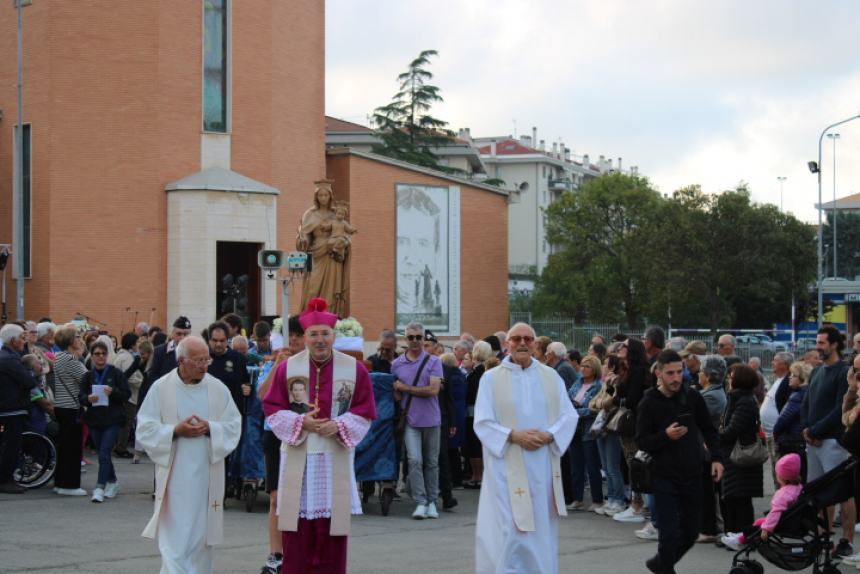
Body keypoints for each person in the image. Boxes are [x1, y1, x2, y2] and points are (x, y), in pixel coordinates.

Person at [262, 298, 376, 574]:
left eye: (325, 334)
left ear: (334, 335)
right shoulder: (288, 368)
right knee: (297, 535)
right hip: (298, 457)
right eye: (314, 334)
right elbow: (272, 408)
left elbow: (365, 410)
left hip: (333, 456)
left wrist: (339, 425)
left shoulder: (354, 369)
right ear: (305, 337)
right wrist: (303, 422)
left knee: (331, 535)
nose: (320, 340)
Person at [474, 322, 578, 574]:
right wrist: (513, 435)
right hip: (505, 468)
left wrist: (549, 435)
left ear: (535, 344)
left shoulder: (550, 376)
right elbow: (483, 421)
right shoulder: (491, 378)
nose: (522, 343)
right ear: (507, 343)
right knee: (510, 527)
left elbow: (569, 415)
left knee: (540, 526)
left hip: (541, 467)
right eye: (517, 338)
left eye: (528, 339)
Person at [137, 335, 242, 574]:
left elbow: (234, 425)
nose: (205, 365)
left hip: (207, 476)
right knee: (174, 541)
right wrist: (175, 430)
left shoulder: (217, 388)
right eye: (199, 361)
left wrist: (210, 428)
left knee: (200, 540)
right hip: (174, 478)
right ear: (181, 361)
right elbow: (144, 427)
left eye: (207, 360)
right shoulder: (161, 387)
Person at [635, 349, 723, 574]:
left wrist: (716, 458)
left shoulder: (692, 396)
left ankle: (660, 564)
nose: (676, 378)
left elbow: (709, 430)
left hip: (693, 474)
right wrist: (665, 436)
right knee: (669, 533)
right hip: (663, 476)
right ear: (659, 374)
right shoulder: (648, 402)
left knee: (691, 532)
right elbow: (642, 441)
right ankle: (665, 569)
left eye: (679, 372)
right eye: (670, 373)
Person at [800, 325, 854, 556]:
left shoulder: (844, 371)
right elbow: (806, 403)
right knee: (820, 494)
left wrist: (816, 430)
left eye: (822, 343)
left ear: (834, 345)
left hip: (832, 442)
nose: (818, 347)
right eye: (818, 342)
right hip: (813, 442)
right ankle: (824, 536)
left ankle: (846, 541)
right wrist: (806, 429)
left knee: (842, 492)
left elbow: (839, 410)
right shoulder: (816, 371)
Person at [391, 322, 444, 519]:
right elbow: (397, 396)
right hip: (410, 420)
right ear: (406, 339)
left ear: (424, 339)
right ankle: (421, 501)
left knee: (431, 462)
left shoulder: (434, 361)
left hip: (432, 419)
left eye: (418, 337)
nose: (415, 341)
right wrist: (397, 391)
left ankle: (432, 501)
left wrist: (406, 389)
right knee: (414, 461)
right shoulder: (396, 364)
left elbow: (433, 390)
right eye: (411, 337)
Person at [79, 340, 131, 503]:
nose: (101, 357)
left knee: (103, 453)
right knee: (104, 454)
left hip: (113, 419)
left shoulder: (116, 373)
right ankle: (113, 482)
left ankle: (99, 487)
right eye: (97, 354)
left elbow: (126, 394)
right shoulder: (88, 376)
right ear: (92, 356)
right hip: (95, 420)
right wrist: (88, 398)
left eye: (103, 353)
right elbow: (80, 397)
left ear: (107, 355)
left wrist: (113, 391)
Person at [721, 453, 803, 550]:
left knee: (760, 525)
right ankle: (741, 535)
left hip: (782, 522)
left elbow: (776, 512)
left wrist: (766, 529)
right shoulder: (798, 487)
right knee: (759, 521)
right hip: (791, 519)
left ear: (782, 477)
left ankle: (739, 540)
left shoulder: (783, 494)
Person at [719, 364, 765, 536]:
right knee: (733, 497)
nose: (729, 378)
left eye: (732, 376)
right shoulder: (737, 398)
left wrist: (715, 437)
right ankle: (734, 532)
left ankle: (741, 534)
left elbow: (733, 429)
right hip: (732, 454)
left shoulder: (744, 401)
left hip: (739, 455)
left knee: (739, 498)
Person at [298, 180, 351, 317]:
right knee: (312, 289)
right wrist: (303, 240)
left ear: (330, 196)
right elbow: (304, 235)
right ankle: (310, 317)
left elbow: (346, 234)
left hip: (332, 255)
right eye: (320, 195)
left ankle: (330, 318)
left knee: (331, 291)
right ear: (316, 197)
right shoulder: (310, 214)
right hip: (316, 253)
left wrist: (342, 243)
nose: (323, 198)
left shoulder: (337, 214)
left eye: (325, 195)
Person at [0, 324, 38, 493]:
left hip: (8, 406)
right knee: (12, 445)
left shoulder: (8, 357)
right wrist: (30, 368)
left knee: (9, 444)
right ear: (13, 340)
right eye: (22, 338)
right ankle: (5, 480)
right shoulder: (10, 359)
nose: (24, 341)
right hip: (11, 408)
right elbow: (29, 382)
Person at [52, 325, 89, 496]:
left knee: (65, 447)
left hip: (61, 406)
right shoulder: (71, 360)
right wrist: (81, 357)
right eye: (77, 337)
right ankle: (70, 485)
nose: (80, 340)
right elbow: (87, 379)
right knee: (73, 449)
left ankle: (60, 483)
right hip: (71, 407)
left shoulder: (58, 357)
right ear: (70, 341)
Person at [589, 354, 626, 516]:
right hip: (601, 426)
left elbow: (607, 402)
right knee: (605, 464)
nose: (602, 366)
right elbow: (594, 402)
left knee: (612, 466)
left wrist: (601, 403)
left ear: (612, 367)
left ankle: (618, 500)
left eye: (605, 363)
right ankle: (610, 498)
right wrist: (600, 403)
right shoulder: (606, 382)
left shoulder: (616, 381)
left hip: (612, 426)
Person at [566, 354, 604, 512]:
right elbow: (566, 401)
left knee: (591, 465)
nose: (583, 369)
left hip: (589, 430)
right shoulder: (577, 383)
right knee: (576, 466)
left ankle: (597, 500)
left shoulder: (598, 386)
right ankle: (578, 499)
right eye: (582, 366)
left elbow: (593, 409)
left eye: (587, 366)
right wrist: (575, 409)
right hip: (574, 429)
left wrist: (575, 410)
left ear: (594, 369)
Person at [759, 351, 794, 488]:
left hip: (777, 435)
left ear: (784, 364)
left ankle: (784, 504)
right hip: (769, 435)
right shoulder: (778, 380)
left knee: (781, 474)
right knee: (776, 473)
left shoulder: (787, 382)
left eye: (775, 360)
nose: (772, 363)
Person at [772, 361, 811, 479]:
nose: (790, 377)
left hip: (792, 441)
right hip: (800, 441)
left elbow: (783, 420)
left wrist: (776, 433)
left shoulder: (797, 396)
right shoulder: (808, 393)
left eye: (793, 375)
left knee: (788, 476)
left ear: (802, 378)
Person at [464, 340, 493, 488]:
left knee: (475, 445)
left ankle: (478, 476)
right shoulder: (480, 370)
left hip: (474, 411)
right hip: (473, 411)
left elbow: (473, 392)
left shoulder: (480, 371)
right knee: (473, 445)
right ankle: (476, 475)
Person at [113, 332, 141, 458]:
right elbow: (130, 377)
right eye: (137, 343)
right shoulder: (128, 358)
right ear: (132, 344)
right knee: (126, 423)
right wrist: (142, 382)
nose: (139, 345)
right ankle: (121, 447)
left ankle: (119, 446)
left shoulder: (120, 355)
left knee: (122, 422)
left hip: (120, 394)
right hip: (128, 395)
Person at [146, 316, 192, 386]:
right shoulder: (160, 351)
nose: (182, 337)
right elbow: (153, 375)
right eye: (178, 334)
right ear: (173, 333)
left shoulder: (195, 350)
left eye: (185, 334)